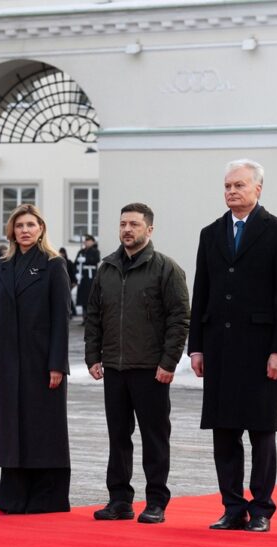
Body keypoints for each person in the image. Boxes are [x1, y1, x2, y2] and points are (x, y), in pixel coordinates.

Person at [188, 159, 277, 533]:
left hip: (260, 348)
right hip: (219, 346)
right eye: (227, 186)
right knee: (224, 429)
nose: (232, 191)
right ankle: (232, 506)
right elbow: (201, 291)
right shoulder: (211, 233)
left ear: (258, 189)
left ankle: (262, 507)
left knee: (260, 430)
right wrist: (197, 347)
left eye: (239, 185)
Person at [85, 203, 190, 524]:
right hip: (114, 369)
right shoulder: (106, 269)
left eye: (134, 224)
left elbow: (179, 319)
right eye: (123, 224)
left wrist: (169, 362)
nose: (127, 229)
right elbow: (93, 316)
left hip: (151, 370)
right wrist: (93, 356)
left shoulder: (166, 269)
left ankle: (156, 501)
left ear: (149, 229)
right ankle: (119, 500)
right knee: (118, 436)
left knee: (154, 437)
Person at [0, 204, 72, 514]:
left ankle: (47, 497)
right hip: (7, 359)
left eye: (31, 225)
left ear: (41, 229)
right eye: (19, 226)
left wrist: (58, 364)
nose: (25, 230)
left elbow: (62, 318)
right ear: (12, 231)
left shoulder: (53, 265)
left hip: (41, 361)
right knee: (12, 426)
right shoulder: (2, 265)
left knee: (43, 426)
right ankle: (14, 496)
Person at [75, 234, 100, 323]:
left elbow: (96, 260)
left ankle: (90, 318)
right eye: (85, 240)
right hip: (82, 276)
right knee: (82, 298)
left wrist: (86, 260)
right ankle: (84, 318)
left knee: (90, 297)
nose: (86, 242)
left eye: (88, 240)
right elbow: (76, 263)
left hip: (90, 276)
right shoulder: (81, 251)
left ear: (92, 242)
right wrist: (77, 274)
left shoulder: (95, 251)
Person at [59, 247, 78, 316]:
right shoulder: (58, 261)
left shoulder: (69, 262)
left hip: (69, 282)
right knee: (65, 297)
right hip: (62, 282)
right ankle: (70, 311)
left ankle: (72, 311)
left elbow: (72, 272)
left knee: (67, 297)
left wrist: (74, 281)